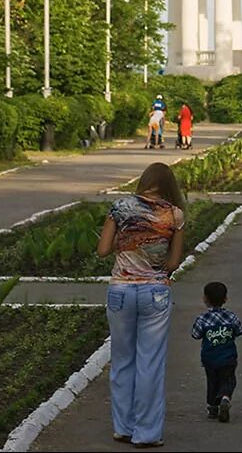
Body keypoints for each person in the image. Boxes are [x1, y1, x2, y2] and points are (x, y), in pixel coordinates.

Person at [96, 162, 186, 448]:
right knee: (151, 362)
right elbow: (173, 262)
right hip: (155, 292)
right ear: (168, 184)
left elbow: (103, 251)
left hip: (120, 290)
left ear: (145, 180)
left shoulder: (120, 207)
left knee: (122, 360)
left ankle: (123, 427)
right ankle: (146, 433)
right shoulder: (174, 214)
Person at [191, 281, 242, 423]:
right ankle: (225, 397)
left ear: (205, 299)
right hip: (228, 356)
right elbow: (240, 330)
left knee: (212, 381)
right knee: (228, 379)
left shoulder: (202, 319)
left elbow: (195, 334)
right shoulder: (231, 317)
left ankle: (213, 407)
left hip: (209, 358)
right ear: (225, 299)